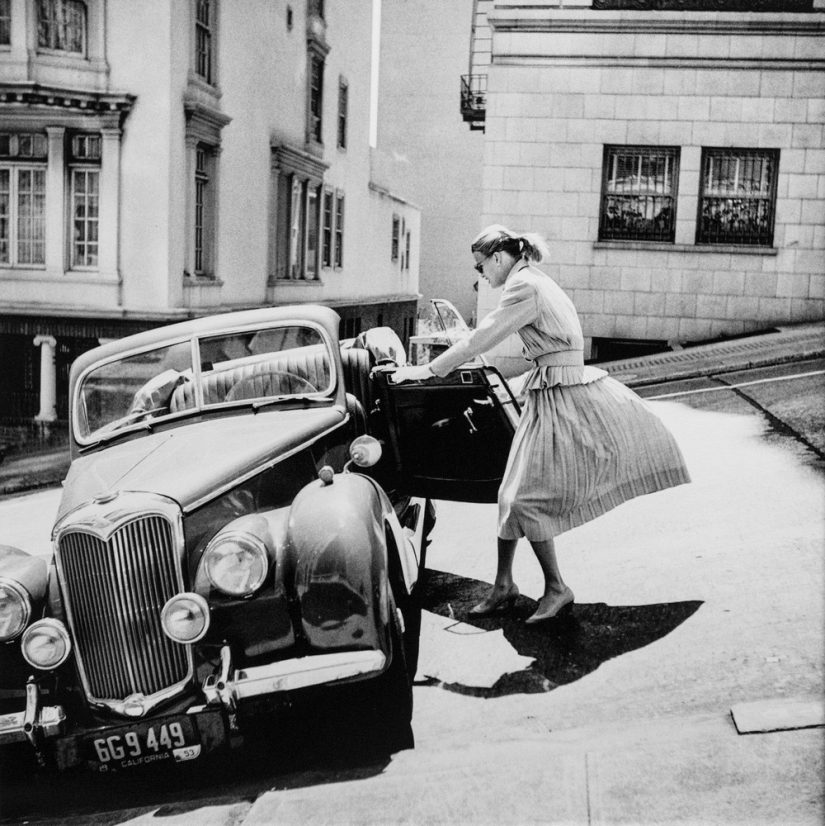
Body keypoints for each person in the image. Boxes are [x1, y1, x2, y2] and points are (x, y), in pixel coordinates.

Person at [390, 225, 691, 625]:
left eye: (481, 267)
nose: (481, 275)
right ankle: (503, 585)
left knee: (527, 498)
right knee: (509, 492)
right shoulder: (536, 280)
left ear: (498, 258)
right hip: (550, 389)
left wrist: (427, 371)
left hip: (560, 396)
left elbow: (482, 338)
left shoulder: (523, 287)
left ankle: (556, 588)